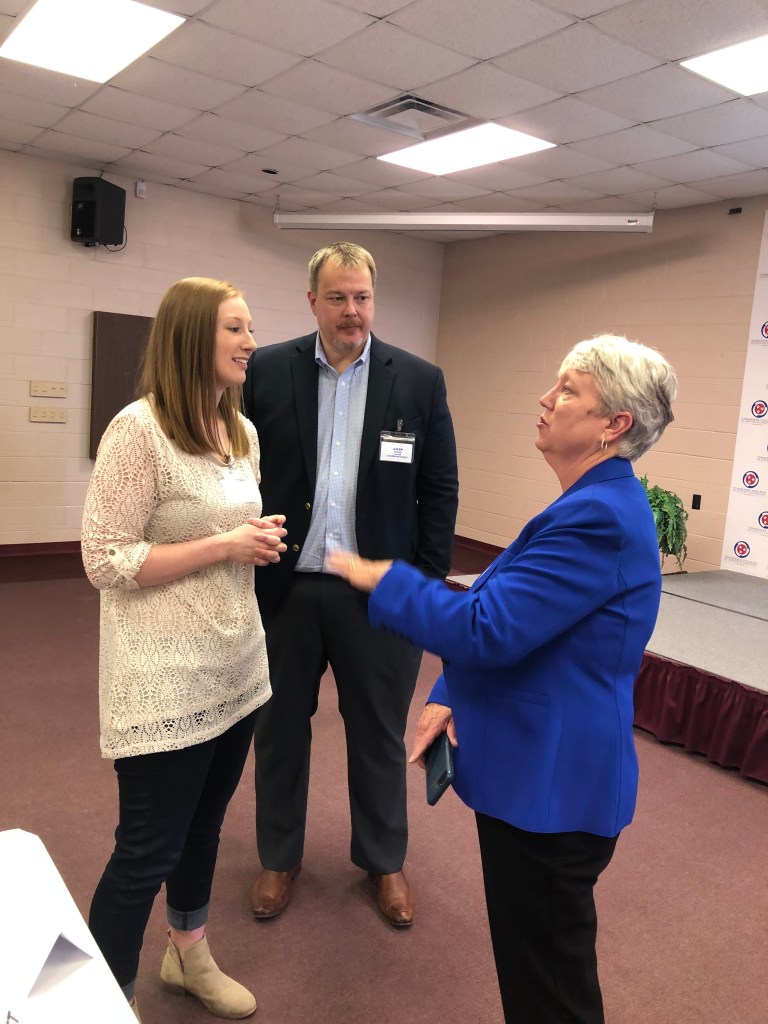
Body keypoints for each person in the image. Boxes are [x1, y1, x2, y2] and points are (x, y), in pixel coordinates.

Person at [329, 334, 677, 1023]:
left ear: (614, 425)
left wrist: (386, 580)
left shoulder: (597, 517)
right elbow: (516, 617)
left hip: (555, 792)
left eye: (569, 391)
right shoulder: (586, 504)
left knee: (549, 992)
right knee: (535, 975)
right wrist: (448, 693)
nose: (546, 399)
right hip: (537, 777)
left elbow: (485, 628)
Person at [81, 277, 287, 1021]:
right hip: (161, 677)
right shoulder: (137, 431)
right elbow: (104, 558)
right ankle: (101, 1002)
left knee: (204, 829)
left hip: (236, 666)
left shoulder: (242, 432)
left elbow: (228, 533)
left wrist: (249, 541)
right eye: (235, 328)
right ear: (192, 336)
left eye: (250, 328)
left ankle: (187, 955)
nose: (251, 343)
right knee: (145, 850)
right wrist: (225, 544)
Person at [242, 242, 458, 928]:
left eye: (361, 297)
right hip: (285, 588)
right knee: (279, 731)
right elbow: (237, 470)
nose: (351, 311)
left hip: (379, 595)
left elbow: (439, 492)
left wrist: (421, 589)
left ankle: (383, 861)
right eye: (337, 297)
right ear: (313, 301)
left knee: (377, 734)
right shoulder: (267, 370)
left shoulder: (418, 381)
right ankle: (279, 857)